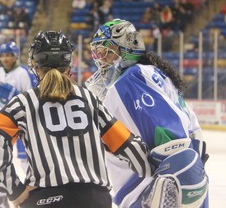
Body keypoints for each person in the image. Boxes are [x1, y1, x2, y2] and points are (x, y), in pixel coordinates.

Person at [0, 30, 152, 208]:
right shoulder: (89, 99)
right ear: (68, 63)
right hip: (94, 198)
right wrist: (154, 168)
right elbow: (125, 143)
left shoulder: (23, 102)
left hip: (45, 199)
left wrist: (14, 189)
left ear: (34, 63)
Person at [85, 19, 209, 208]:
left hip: (150, 193)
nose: (101, 61)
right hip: (177, 184)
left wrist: (176, 179)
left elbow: (173, 143)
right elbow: (192, 132)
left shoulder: (129, 81)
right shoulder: (148, 73)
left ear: (125, 48)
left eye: (106, 52)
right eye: (98, 54)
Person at [0, 41, 37, 208]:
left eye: (9, 55)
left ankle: (33, 192)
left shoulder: (23, 73)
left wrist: (15, 97)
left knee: (26, 159)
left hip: (23, 123)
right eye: (3, 55)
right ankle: (0, 199)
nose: (6, 58)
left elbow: (30, 98)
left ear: (15, 56)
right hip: (4, 123)